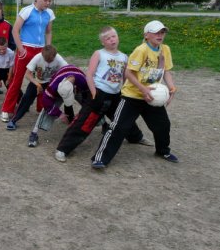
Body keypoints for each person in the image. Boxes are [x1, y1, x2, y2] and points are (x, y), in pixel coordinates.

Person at [54, 27, 150, 162]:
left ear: (118, 37)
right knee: (85, 122)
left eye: (113, 36)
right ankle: (63, 149)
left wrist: (123, 91)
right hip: (99, 94)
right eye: (107, 38)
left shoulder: (124, 57)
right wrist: (93, 92)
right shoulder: (99, 54)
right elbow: (89, 74)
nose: (112, 40)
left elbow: (125, 77)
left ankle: (136, 137)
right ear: (102, 42)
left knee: (123, 118)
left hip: (116, 95)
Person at [91, 20, 178, 169]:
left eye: (162, 32)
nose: (160, 35)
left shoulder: (165, 50)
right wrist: (143, 90)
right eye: (156, 32)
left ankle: (162, 151)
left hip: (152, 97)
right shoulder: (141, 50)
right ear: (146, 35)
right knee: (118, 127)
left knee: (163, 125)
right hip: (132, 96)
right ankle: (100, 158)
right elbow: (129, 73)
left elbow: (166, 71)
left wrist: (171, 87)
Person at [0, 0, 55, 122]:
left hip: (41, 51)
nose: (47, 3)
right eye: (45, 0)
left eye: (49, 1)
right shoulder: (27, 11)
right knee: (17, 80)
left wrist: (47, 48)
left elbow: (48, 32)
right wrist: (21, 49)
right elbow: (15, 31)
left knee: (42, 79)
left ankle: (41, 108)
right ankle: (7, 110)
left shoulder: (49, 13)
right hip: (26, 49)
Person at [26, 64, 90, 147]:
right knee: (46, 110)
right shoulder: (54, 86)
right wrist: (59, 114)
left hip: (76, 87)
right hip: (60, 89)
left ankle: (103, 123)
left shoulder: (83, 81)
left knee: (90, 104)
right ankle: (34, 133)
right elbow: (46, 102)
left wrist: (83, 111)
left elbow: (87, 95)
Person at [5, 45, 67, 130]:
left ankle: (69, 117)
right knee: (26, 99)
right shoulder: (37, 57)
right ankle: (14, 120)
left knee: (65, 94)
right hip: (37, 82)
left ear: (55, 55)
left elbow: (67, 70)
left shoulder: (58, 58)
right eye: (47, 60)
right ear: (42, 55)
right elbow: (27, 74)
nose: (48, 62)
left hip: (51, 82)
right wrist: (37, 84)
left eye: (51, 60)